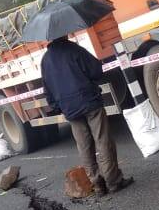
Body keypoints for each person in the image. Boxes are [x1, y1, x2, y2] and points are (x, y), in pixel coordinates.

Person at [40, 37, 133, 196]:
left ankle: (97, 185)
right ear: (63, 34)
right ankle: (113, 181)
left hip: (70, 110)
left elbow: (47, 89)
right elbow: (96, 70)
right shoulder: (74, 49)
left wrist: (59, 107)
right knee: (103, 140)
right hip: (90, 103)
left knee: (84, 147)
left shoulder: (45, 60)